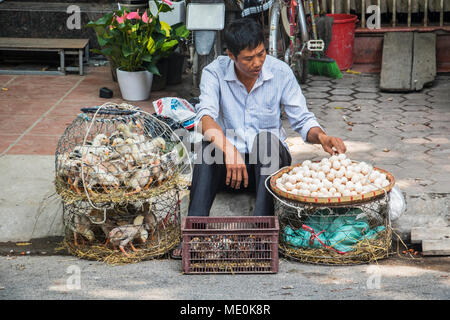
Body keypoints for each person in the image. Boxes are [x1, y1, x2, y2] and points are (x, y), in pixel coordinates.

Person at [170, 17, 346, 259]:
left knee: (266, 141)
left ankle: (259, 239)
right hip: (230, 169)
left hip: (268, 168)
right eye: (248, 58)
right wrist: (229, 151)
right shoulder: (214, 72)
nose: (257, 63)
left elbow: (303, 121)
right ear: (231, 55)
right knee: (206, 148)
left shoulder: (280, 72)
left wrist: (322, 138)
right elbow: (205, 119)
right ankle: (193, 237)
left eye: (261, 54)